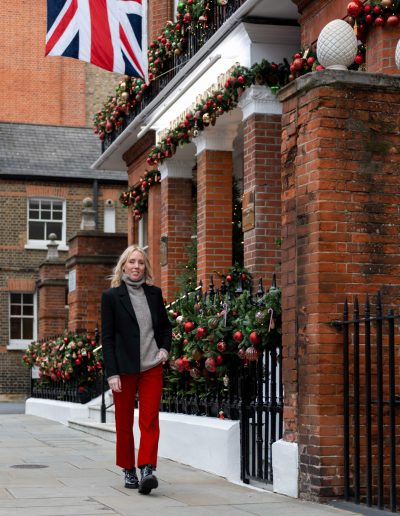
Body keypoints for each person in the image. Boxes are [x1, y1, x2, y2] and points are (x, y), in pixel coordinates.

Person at [101, 244, 172, 494]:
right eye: (132, 262)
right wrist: (112, 373)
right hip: (124, 368)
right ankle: (128, 469)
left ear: (145, 268)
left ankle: (147, 469)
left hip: (152, 365)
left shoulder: (154, 294)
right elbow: (107, 338)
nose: (136, 267)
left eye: (140, 263)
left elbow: (165, 327)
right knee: (123, 422)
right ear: (123, 266)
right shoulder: (111, 297)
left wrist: (164, 350)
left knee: (150, 419)